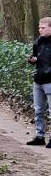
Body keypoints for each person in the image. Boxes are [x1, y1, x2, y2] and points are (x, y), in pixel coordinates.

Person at [27, 17, 51, 147]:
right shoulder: (38, 41)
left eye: (43, 28)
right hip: (38, 81)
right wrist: (32, 60)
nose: (40, 30)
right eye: (39, 28)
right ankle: (39, 136)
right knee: (38, 110)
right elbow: (35, 57)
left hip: (50, 81)